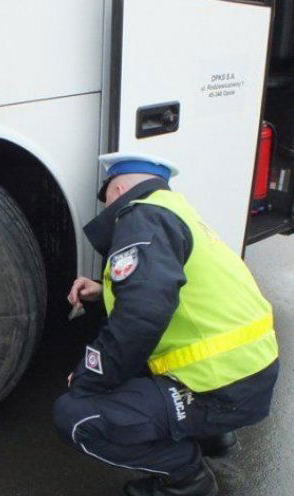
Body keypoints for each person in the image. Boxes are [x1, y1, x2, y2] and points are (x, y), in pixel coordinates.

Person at [53, 152, 280, 496]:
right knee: (136, 365)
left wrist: (88, 375)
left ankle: (186, 478)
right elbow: (171, 287)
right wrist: (104, 291)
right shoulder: (176, 212)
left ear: (117, 192)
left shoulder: (140, 217)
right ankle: (212, 434)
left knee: (76, 415)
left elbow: (140, 318)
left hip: (222, 387)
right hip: (250, 372)